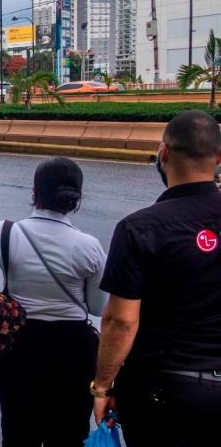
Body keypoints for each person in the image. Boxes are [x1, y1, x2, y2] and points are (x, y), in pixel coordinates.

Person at [0, 157, 108, 446]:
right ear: (77, 197)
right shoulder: (89, 246)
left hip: (17, 346)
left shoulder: (2, 233)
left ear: (34, 192)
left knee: (18, 433)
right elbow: (98, 307)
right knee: (69, 435)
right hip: (73, 351)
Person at [93, 110, 221, 446]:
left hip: (163, 393)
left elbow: (121, 321)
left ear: (163, 153)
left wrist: (102, 386)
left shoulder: (138, 228)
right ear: (218, 158)